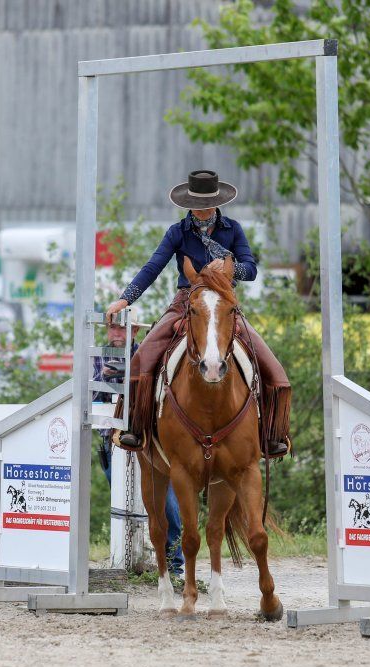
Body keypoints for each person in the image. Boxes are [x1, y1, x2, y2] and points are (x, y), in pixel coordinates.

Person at [105, 170, 291, 457]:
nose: (203, 211)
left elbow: (250, 269)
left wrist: (228, 267)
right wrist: (124, 299)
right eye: (197, 204)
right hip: (186, 302)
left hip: (225, 304)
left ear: (217, 202)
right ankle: (134, 428)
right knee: (143, 357)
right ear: (188, 204)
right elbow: (152, 268)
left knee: (273, 366)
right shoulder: (177, 232)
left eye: (208, 204)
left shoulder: (233, 229)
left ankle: (272, 434)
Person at [92, 313, 184, 575]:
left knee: (166, 504)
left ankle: (174, 564)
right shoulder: (98, 356)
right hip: (112, 439)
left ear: (133, 332)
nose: (117, 333)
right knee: (121, 502)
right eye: (113, 328)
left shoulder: (148, 355)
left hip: (151, 439)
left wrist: (121, 376)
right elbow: (95, 391)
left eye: (123, 328)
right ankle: (125, 560)